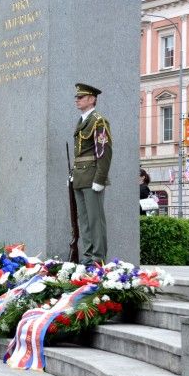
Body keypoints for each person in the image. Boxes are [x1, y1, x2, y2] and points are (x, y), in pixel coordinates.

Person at [71, 83, 112, 265]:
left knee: (95, 220)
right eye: (77, 97)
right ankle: (87, 256)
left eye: (81, 97)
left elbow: (104, 151)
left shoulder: (98, 121)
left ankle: (98, 257)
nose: (77, 100)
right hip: (80, 176)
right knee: (84, 220)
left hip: (92, 176)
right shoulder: (82, 120)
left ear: (92, 99)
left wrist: (100, 178)